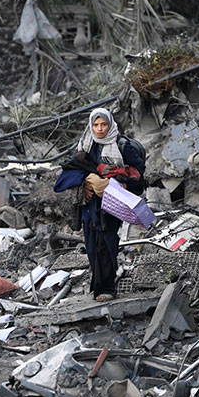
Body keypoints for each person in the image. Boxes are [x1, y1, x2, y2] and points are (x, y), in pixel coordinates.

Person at [54, 108, 146, 301]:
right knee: (91, 245)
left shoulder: (121, 145)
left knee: (106, 244)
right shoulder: (85, 146)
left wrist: (120, 180)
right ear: (91, 126)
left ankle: (106, 289)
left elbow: (138, 172)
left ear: (110, 124)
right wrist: (88, 180)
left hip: (111, 204)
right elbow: (70, 171)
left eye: (103, 124)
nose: (100, 129)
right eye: (96, 125)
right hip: (90, 206)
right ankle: (98, 285)